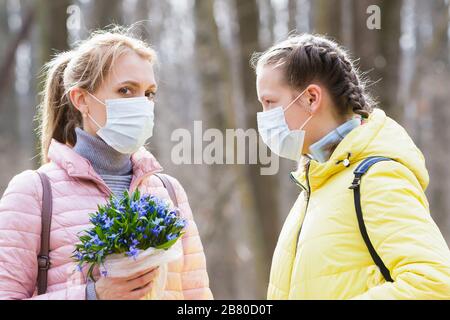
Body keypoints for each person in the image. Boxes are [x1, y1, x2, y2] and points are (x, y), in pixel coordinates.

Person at [0, 27, 212, 300]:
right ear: (82, 100)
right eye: (126, 90)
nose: (142, 104)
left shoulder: (169, 192)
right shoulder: (35, 193)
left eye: (149, 93)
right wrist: (92, 295)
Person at [252, 33, 450, 299]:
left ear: (311, 98)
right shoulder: (318, 182)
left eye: (270, 102)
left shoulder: (376, 177)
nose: (264, 118)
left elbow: (434, 282)